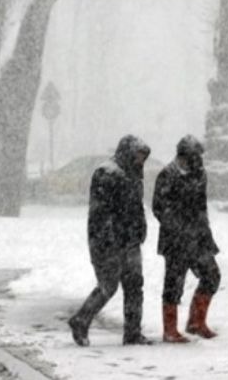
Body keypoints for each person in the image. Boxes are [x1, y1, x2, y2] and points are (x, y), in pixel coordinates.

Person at [68, 135, 154, 346]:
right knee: (108, 285)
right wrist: (107, 240)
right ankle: (80, 320)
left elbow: (136, 207)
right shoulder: (106, 174)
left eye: (143, 157)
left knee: (134, 286)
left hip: (130, 240)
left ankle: (133, 332)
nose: (141, 160)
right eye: (138, 156)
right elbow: (100, 213)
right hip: (109, 242)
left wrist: (141, 228)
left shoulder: (133, 175)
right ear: (128, 153)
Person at [152, 135, 221, 343]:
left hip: (199, 238)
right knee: (174, 284)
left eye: (200, 156)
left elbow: (201, 206)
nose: (199, 160)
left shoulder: (200, 174)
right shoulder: (168, 175)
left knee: (212, 276)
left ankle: (196, 322)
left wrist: (204, 233)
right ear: (184, 155)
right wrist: (179, 228)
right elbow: (159, 208)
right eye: (195, 156)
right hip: (176, 241)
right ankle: (170, 330)